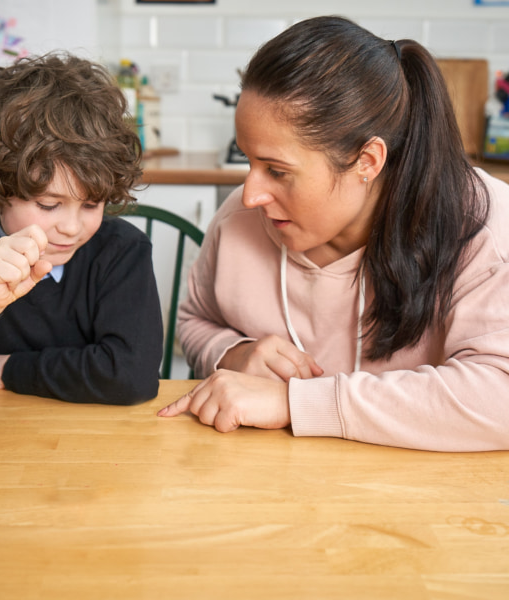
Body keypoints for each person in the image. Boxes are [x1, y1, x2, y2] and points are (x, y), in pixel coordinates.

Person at [158, 16, 509, 451]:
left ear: (367, 161)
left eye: (277, 170)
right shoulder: (238, 222)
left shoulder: (483, 226)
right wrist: (234, 353)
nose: (250, 195)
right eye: (248, 161)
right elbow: (194, 319)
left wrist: (295, 402)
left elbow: (500, 396)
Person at [0, 52, 163, 411]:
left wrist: (4, 369)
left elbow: (132, 375)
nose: (72, 227)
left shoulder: (123, 250)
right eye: (48, 205)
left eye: (91, 205)